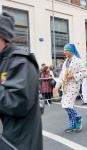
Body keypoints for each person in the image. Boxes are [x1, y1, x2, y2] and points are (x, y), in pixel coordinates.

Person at [0, 12, 43, 150]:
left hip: (19, 144)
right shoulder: (4, 61)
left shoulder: (21, 61)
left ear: (3, 38)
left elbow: (18, 103)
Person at [54, 43, 86, 133]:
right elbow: (61, 75)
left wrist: (73, 76)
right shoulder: (66, 62)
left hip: (73, 86)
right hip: (65, 87)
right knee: (66, 105)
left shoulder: (78, 60)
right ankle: (72, 124)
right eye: (64, 50)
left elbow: (84, 73)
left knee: (67, 105)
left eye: (66, 50)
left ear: (71, 51)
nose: (65, 52)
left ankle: (78, 117)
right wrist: (56, 86)